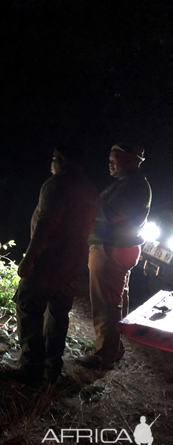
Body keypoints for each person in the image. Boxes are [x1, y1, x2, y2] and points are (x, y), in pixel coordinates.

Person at [11, 145, 100, 385]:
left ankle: (31, 367)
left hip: (50, 259)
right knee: (59, 312)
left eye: (53, 158)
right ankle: (52, 368)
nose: (51, 164)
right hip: (74, 260)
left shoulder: (56, 184)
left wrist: (29, 258)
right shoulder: (90, 188)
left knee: (28, 305)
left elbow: (45, 224)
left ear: (62, 160)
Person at [78, 143, 151, 371]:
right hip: (119, 248)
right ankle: (113, 347)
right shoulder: (130, 184)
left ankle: (104, 355)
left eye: (115, 160)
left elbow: (107, 214)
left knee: (106, 301)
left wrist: (83, 204)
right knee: (116, 300)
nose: (110, 164)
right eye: (110, 159)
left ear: (130, 162)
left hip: (111, 249)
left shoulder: (133, 186)